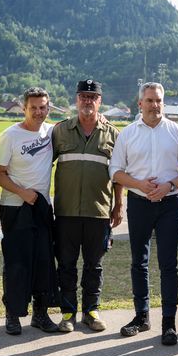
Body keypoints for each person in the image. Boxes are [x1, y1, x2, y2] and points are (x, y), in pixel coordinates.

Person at [109, 82, 178, 345]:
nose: (154, 105)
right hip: (139, 203)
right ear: (140, 104)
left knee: (169, 264)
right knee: (139, 262)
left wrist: (169, 186)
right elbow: (116, 171)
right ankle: (141, 317)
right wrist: (140, 185)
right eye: (149, 100)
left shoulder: (177, 132)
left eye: (158, 100)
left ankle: (168, 323)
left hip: (169, 204)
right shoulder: (128, 134)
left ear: (163, 103)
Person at [52, 79, 123, 333]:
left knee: (95, 265)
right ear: (76, 99)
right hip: (66, 212)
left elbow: (118, 174)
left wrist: (118, 205)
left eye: (93, 97)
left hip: (99, 211)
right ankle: (68, 313)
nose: (88, 101)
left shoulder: (113, 134)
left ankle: (91, 311)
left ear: (99, 101)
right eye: (83, 96)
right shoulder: (60, 131)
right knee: (67, 265)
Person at [0, 87, 59, 335]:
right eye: (33, 108)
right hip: (15, 206)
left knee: (43, 260)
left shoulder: (51, 132)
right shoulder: (10, 136)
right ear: (24, 108)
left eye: (43, 107)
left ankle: (40, 314)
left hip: (41, 207)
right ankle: (12, 314)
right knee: (17, 262)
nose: (38, 112)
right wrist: (22, 192)